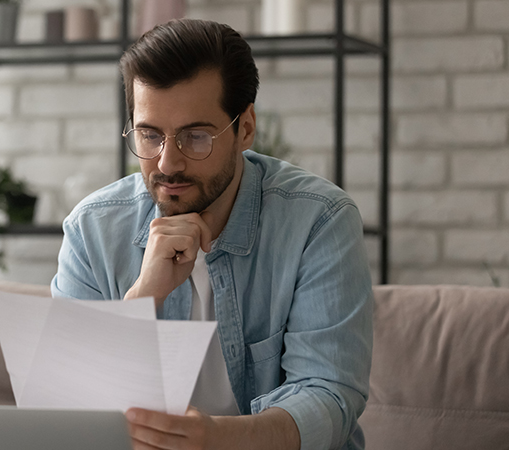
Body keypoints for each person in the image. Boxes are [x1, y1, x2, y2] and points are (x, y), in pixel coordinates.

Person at [51, 18, 372, 450]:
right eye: (149, 135)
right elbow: (67, 406)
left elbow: (330, 396)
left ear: (245, 128)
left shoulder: (319, 221)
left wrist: (217, 439)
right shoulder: (92, 230)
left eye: (195, 136)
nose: (167, 163)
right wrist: (143, 297)